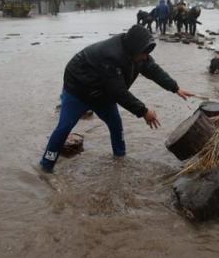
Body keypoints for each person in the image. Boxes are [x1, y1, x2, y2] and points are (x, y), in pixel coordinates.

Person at [39, 24, 194, 173]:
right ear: (133, 48)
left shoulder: (139, 56)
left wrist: (175, 88)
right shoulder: (111, 56)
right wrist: (144, 111)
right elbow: (119, 92)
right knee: (64, 127)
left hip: (103, 91)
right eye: (144, 52)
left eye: (148, 52)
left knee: (115, 125)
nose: (146, 56)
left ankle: (120, 159)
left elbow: (153, 70)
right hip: (78, 89)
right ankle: (46, 165)